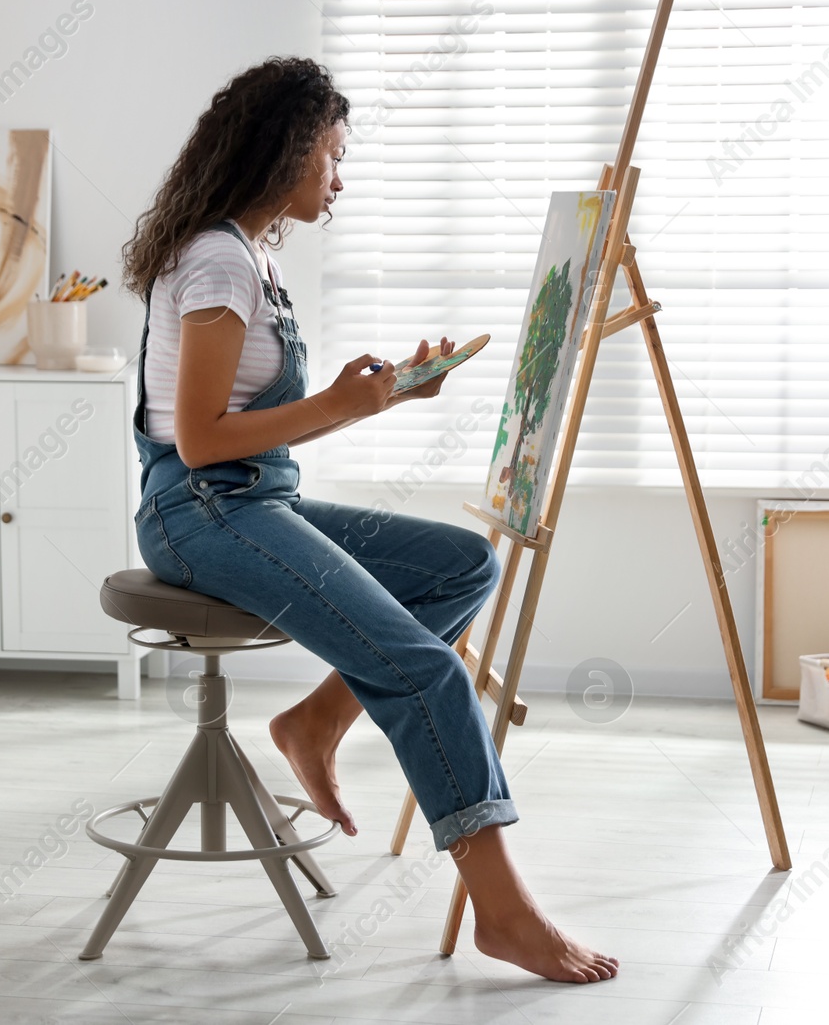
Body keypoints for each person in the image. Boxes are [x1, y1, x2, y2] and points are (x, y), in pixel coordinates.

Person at [120, 56, 617, 984]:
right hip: (199, 507)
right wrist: (348, 408)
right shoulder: (222, 258)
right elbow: (196, 439)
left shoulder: (250, 252)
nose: (340, 179)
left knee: (464, 563)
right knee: (427, 672)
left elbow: (241, 425)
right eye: (333, 157)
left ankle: (317, 721)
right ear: (288, 151)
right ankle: (504, 914)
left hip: (245, 498)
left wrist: (382, 394)